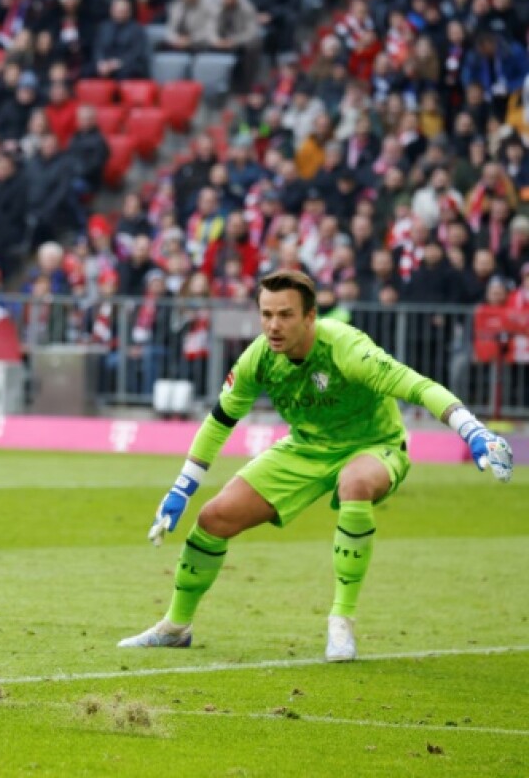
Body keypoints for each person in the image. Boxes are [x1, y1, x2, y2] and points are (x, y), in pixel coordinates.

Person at [118, 270, 514, 661]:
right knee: (214, 517)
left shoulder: (346, 347)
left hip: (374, 445)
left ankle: (341, 619)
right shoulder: (258, 357)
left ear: (310, 317)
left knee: (354, 483)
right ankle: (176, 627)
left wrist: (473, 431)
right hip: (306, 447)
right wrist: (182, 488)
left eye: (285, 314)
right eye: (267, 314)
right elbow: (220, 421)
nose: (273, 325)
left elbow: (418, 386)